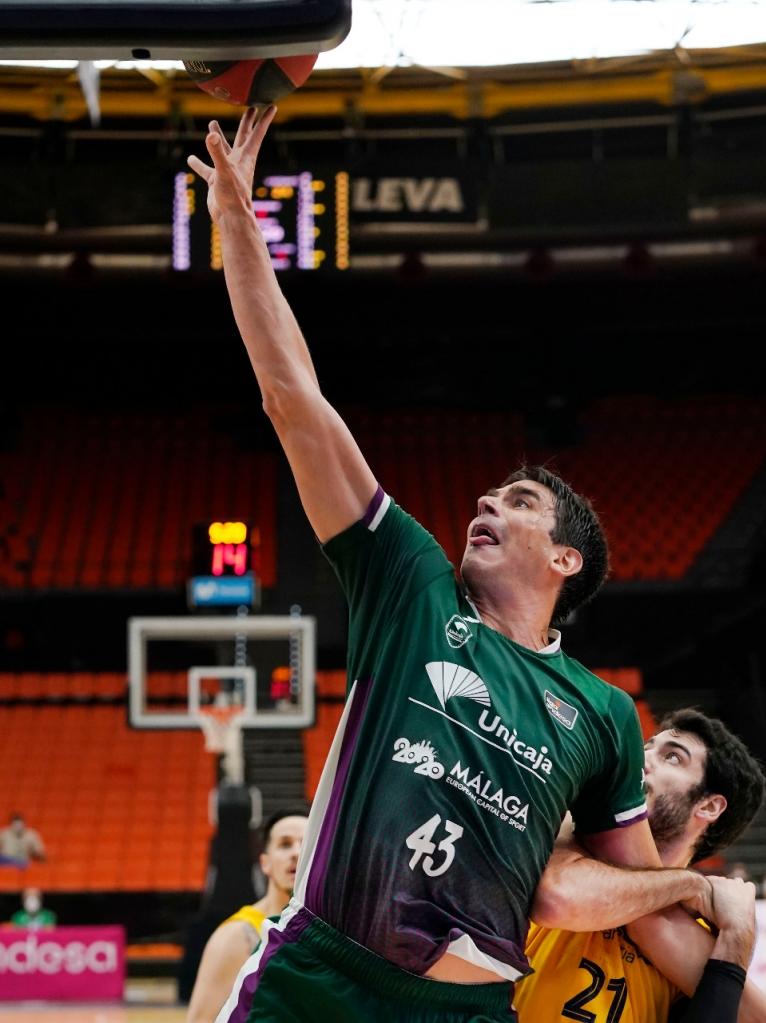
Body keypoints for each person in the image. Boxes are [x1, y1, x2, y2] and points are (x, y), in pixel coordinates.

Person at [187, 108, 735, 1023]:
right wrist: (240, 226)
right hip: (320, 978)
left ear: (566, 557)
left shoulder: (600, 713)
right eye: (487, 496)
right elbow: (294, 401)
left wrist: (718, 912)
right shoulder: (411, 579)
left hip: (467, 1012)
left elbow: (634, 885)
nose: (486, 502)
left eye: (519, 502)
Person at [516, 707, 766, 1022]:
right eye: (645, 748)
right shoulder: (568, 837)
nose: (641, 760)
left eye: (672, 757)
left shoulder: (697, 932)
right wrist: (693, 885)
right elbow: (561, 897)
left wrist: (738, 933)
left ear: (709, 805)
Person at [185, 809, 308, 1023]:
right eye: (285, 844)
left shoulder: (328, 930)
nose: (296, 853)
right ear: (265, 863)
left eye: (306, 844)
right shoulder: (235, 936)